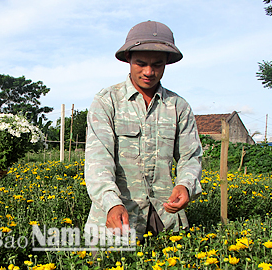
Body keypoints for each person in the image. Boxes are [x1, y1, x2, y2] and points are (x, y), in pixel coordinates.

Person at [84, 21, 203, 241]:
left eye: (157, 64)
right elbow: (97, 161)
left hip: (165, 218)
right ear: (128, 59)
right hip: (116, 218)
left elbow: (191, 156)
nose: (149, 72)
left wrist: (185, 185)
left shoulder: (178, 106)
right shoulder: (107, 101)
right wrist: (111, 203)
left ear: (167, 62)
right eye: (141, 63)